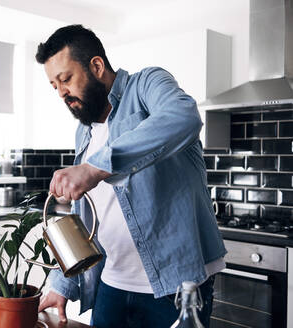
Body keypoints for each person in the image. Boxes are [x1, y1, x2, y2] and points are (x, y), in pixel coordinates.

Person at [34, 24, 226, 328]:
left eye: (66, 79)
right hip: (112, 281)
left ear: (96, 66)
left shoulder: (148, 83)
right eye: (54, 85)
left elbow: (182, 115)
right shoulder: (84, 132)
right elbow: (86, 217)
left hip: (175, 285)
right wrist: (62, 284)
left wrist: (95, 168)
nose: (61, 93)